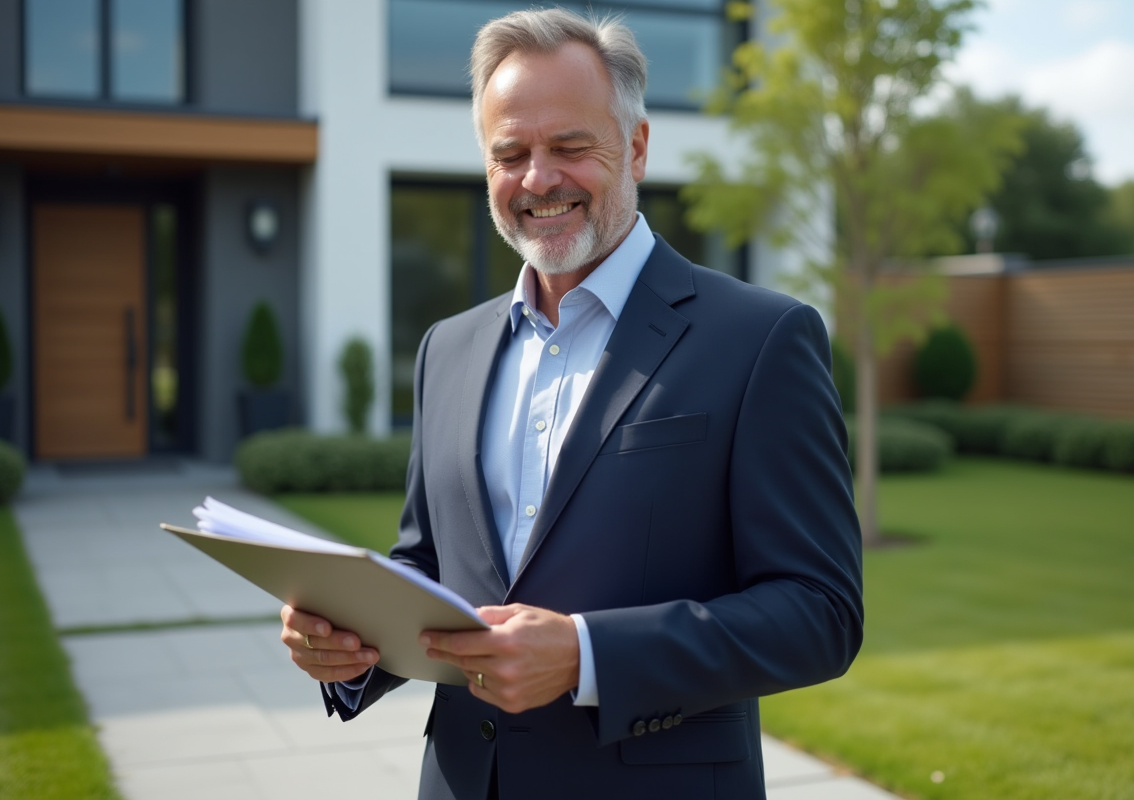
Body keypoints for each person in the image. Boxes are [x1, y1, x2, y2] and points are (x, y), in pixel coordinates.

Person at [280, 8, 863, 800]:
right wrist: (351, 644)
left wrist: (588, 655)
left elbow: (820, 612)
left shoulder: (761, 339)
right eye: (509, 154)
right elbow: (432, 566)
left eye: (569, 147)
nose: (537, 179)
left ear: (637, 147)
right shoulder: (446, 349)